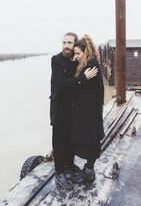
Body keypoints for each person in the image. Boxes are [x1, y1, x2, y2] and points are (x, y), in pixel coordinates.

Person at [50, 32, 98, 190]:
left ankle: (69, 166)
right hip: (60, 107)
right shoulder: (56, 61)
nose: (66, 46)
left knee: (70, 138)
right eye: (63, 42)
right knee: (59, 140)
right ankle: (59, 172)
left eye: (69, 43)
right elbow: (61, 85)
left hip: (73, 108)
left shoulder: (77, 60)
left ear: (74, 44)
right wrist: (82, 79)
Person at [70, 34, 105, 184]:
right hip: (90, 110)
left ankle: (89, 173)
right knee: (91, 140)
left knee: (91, 141)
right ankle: (88, 170)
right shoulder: (89, 64)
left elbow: (82, 89)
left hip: (89, 112)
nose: (75, 56)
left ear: (86, 52)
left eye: (78, 53)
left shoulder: (90, 66)